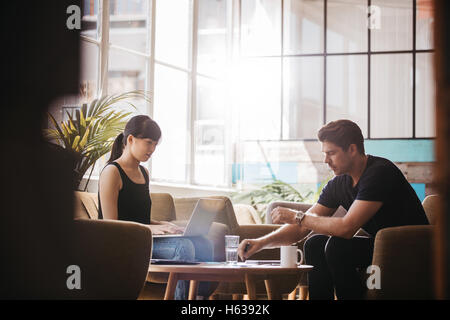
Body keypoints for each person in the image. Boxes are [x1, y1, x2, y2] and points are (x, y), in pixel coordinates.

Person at [238, 119, 429, 300]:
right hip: (380, 245)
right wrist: (260, 243)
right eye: (324, 153)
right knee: (315, 243)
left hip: (410, 248)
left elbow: (347, 228)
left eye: (331, 153)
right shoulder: (339, 183)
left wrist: (298, 216)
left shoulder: (379, 173)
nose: (325, 160)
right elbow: (301, 228)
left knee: (338, 246)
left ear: (352, 149)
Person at [98, 115, 215, 300]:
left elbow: (139, 216)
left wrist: (165, 225)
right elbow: (112, 225)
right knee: (183, 248)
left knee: (205, 244)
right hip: (125, 243)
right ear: (130, 140)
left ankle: (198, 300)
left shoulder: (143, 172)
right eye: (149, 143)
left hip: (144, 237)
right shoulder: (112, 172)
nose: (152, 149)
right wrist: (152, 228)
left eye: (155, 144)